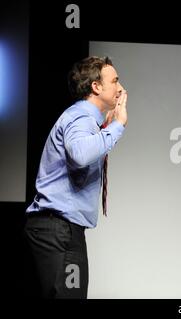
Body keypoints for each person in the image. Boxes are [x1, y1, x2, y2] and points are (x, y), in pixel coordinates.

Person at [23, 56, 127, 298]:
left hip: (58, 230)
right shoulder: (81, 116)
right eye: (115, 81)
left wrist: (106, 128)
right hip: (59, 231)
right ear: (96, 87)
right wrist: (118, 125)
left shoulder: (85, 118)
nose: (120, 88)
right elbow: (80, 155)